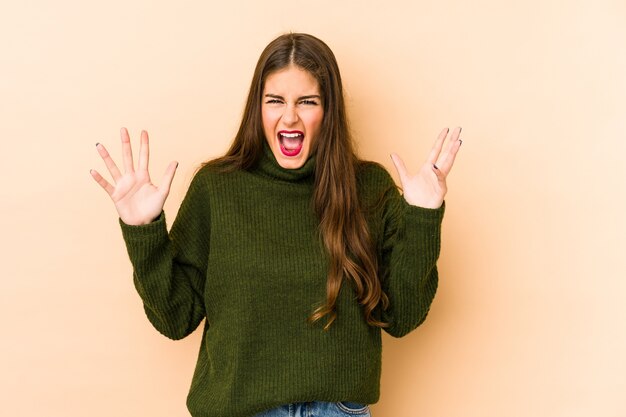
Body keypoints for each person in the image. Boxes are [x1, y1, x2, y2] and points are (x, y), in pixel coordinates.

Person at [90, 33, 462, 417]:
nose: (289, 117)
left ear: (328, 110)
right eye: (275, 101)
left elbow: (402, 317)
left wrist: (422, 217)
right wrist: (143, 230)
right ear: (258, 109)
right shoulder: (217, 189)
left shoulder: (368, 188)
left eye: (307, 101)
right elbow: (175, 318)